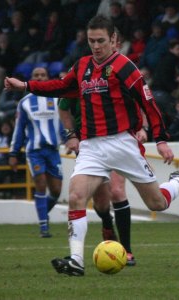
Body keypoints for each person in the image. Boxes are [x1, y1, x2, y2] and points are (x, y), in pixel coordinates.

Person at [4, 15, 179, 277]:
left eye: (101, 41)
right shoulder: (82, 65)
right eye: (91, 41)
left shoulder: (126, 67)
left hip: (123, 143)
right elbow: (61, 87)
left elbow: (149, 103)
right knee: (77, 195)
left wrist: (162, 140)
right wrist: (26, 86)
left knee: (156, 203)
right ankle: (76, 260)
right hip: (91, 147)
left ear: (113, 40)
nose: (96, 46)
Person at [58, 94, 147, 266]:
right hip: (90, 146)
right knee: (101, 203)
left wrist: (142, 126)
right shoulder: (78, 74)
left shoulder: (118, 71)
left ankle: (126, 250)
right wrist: (71, 135)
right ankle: (107, 221)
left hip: (119, 140)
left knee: (117, 191)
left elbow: (138, 98)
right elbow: (63, 107)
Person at [9, 67, 64, 238]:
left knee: (56, 191)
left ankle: (43, 215)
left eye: (43, 75)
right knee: (40, 185)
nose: (40, 78)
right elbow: (19, 129)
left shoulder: (57, 99)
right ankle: (44, 228)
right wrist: (13, 153)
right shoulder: (25, 102)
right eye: (36, 75)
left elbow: (63, 123)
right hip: (34, 151)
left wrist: (70, 138)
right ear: (31, 78)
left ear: (48, 78)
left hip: (53, 151)